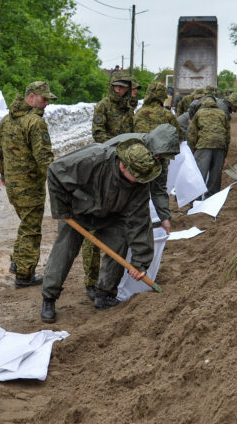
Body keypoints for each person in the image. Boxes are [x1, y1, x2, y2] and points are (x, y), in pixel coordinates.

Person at [39, 141, 161, 323]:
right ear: (123, 165)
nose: (141, 180)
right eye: (137, 176)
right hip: (76, 211)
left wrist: (140, 262)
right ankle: (49, 297)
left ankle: (104, 293)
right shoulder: (93, 159)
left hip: (111, 215)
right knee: (64, 250)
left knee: (121, 240)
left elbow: (140, 222)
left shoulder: (140, 184)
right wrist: (61, 211)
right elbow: (55, 171)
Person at [0, 81, 56, 287]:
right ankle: (24, 274)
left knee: (26, 222)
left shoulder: (7, 120)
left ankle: (17, 262)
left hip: (13, 185)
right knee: (31, 229)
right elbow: (43, 158)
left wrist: (4, 174)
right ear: (31, 97)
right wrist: (57, 183)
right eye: (43, 98)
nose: (47, 103)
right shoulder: (35, 123)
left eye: (48, 99)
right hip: (30, 186)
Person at [87, 70, 136, 300]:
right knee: (93, 225)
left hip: (124, 166)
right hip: (106, 162)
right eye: (116, 87)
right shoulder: (103, 106)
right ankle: (91, 280)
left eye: (123, 87)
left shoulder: (128, 109)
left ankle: (108, 280)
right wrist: (114, 149)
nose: (119, 91)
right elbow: (98, 133)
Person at [106, 123, 180, 234]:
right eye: (159, 155)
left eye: (162, 156)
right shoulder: (129, 146)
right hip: (107, 181)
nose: (159, 158)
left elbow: (158, 189)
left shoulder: (161, 158)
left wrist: (164, 217)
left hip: (129, 185)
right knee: (100, 222)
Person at [188, 95, 231, 199]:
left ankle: (195, 201)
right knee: (215, 176)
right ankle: (211, 200)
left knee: (199, 174)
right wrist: (224, 155)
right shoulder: (222, 114)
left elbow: (192, 134)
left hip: (203, 145)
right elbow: (227, 136)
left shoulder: (199, 113)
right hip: (220, 145)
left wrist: (192, 151)